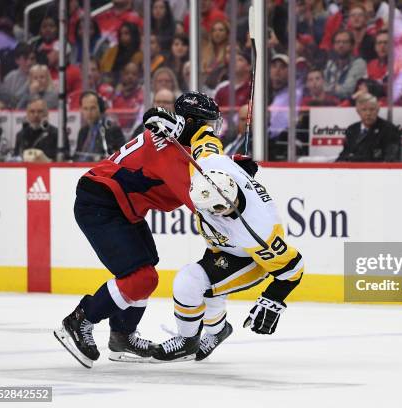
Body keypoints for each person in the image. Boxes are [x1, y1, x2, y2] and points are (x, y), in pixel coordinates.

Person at [54, 91, 256, 368]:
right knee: (141, 277)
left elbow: (200, 161)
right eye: (207, 127)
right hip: (101, 202)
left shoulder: (177, 141)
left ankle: (122, 337)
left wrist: (232, 165)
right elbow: (205, 202)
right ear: (192, 123)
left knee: (145, 270)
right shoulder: (171, 150)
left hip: (119, 205)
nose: (212, 133)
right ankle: (79, 321)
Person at [151, 141, 304, 362]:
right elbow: (204, 132)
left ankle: (187, 341)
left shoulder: (257, 230)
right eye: (220, 208)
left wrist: (273, 299)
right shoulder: (209, 163)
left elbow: (293, 268)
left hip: (249, 260)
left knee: (189, 281)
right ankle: (217, 332)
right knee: (210, 290)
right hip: (223, 246)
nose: (228, 210)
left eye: (226, 205)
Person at [336, 92, 401, 162]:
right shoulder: (352, 129)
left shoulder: (389, 130)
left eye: (372, 109)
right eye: (364, 110)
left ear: (377, 110)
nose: (368, 113)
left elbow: (391, 158)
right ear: (358, 111)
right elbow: (344, 154)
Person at [73, 91, 125, 162]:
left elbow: (123, 156)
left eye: (93, 108)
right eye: (85, 109)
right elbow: (77, 156)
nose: (89, 113)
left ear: (100, 108)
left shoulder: (111, 129)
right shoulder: (83, 131)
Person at [323, 30, 367, 101]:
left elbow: (348, 90)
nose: (341, 45)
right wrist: (334, 88)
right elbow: (323, 88)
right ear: (333, 45)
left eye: (345, 42)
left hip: (350, 106)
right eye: (337, 42)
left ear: (352, 46)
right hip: (330, 105)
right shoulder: (330, 64)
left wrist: (331, 89)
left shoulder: (359, 63)